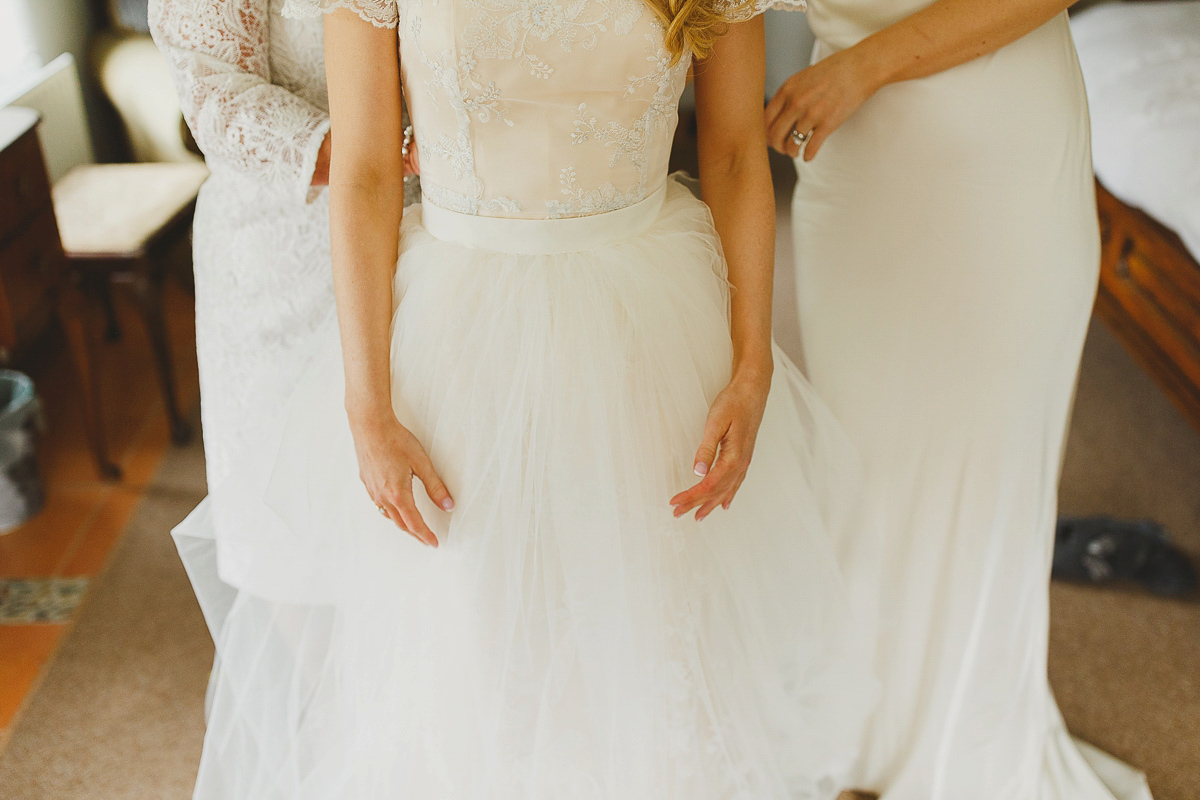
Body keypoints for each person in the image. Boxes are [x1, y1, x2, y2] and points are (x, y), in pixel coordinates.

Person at [169, 0, 875, 796]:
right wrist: (367, 409)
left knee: (651, 642)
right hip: (460, 342)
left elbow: (741, 155)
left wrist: (753, 367)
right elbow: (365, 174)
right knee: (481, 655)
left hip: (651, 333)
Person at [765, 2, 1153, 798]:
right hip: (857, 163)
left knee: (983, 465)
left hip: (995, 146)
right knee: (866, 464)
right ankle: (857, 736)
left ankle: (954, 736)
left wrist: (865, 65)